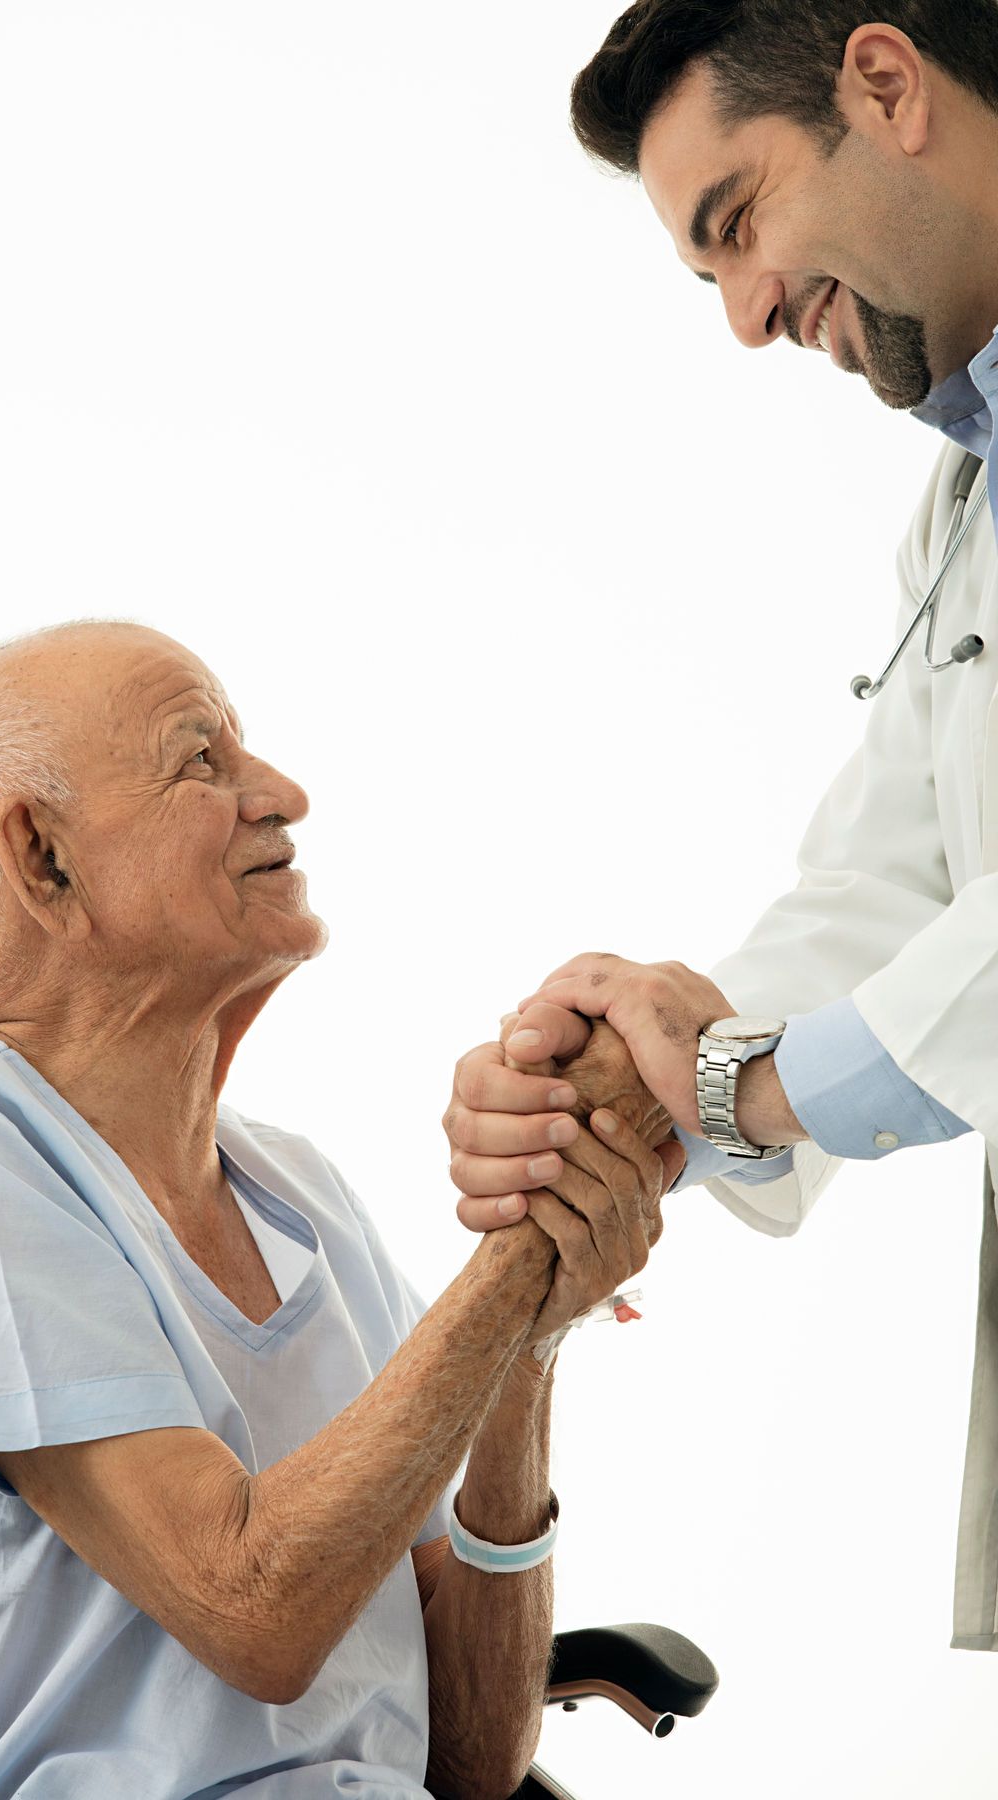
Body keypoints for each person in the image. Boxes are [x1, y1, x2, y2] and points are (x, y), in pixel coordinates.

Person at [0, 620, 677, 1800]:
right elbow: (252, 1610)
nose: (283, 795)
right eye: (201, 760)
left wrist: (533, 1336)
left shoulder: (303, 1194)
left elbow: (474, 1760)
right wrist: (514, 1264)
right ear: (43, 859)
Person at [443, 0, 998, 1653]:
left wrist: (730, 1084)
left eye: (738, 221)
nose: (750, 318)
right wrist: (628, 1082)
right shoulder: (963, 513)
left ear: (883, 85)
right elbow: (891, 884)